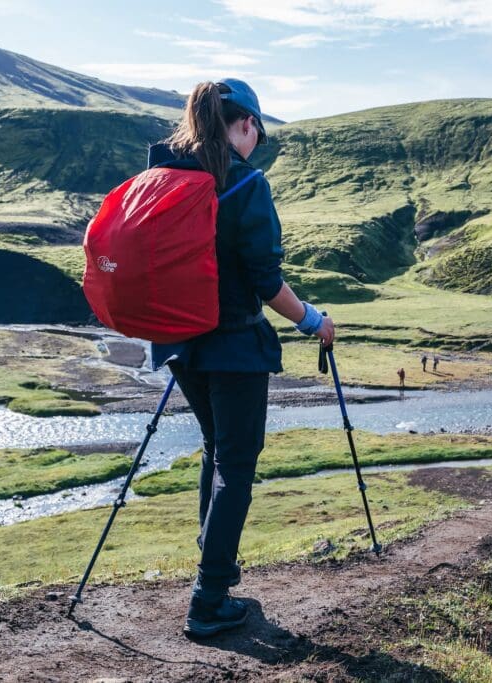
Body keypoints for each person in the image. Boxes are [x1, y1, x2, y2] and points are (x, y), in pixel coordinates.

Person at [147, 79, 335, 638]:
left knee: (217, 448)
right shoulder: (245, 183)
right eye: (258, 133)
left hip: (181, 345)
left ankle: (218, 570)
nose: (257, 144)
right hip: (233, 347)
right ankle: (208, 602)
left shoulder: (166, 175)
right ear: (247, 124)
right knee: (236, 464)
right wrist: (313, 320)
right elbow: (266, 281)